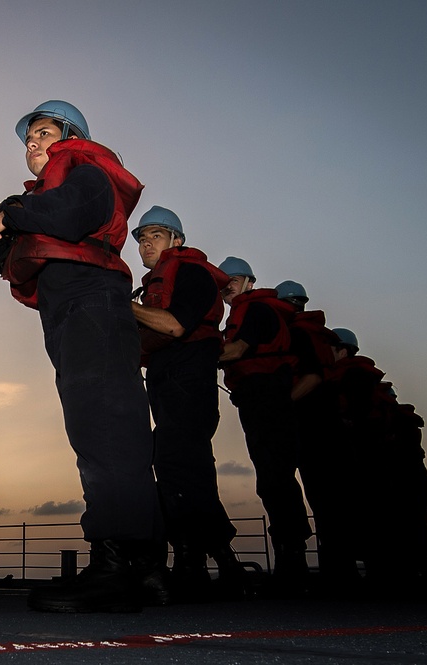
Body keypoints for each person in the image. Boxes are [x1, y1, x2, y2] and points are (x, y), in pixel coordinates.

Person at [0, 100, 168, 612]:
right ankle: (149, 570)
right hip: (73, 307)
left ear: (70, 135)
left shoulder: (85, 169)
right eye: (28, 137)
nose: (33, 143)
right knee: (103, 427)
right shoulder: (49, 191)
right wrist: (4, 234)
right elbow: (19, 267)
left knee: (104, 426)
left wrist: (13, 211)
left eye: (43, 132)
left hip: (92, 299)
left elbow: (71, 215)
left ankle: (118, 566)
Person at [129, 206, 245, 601]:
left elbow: (176, 325)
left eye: (156, 235)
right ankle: (216, 560)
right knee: (184, 467)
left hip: (188, 381)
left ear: (178, 240)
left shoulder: (192, 274)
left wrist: (120, 303)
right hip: (165, 381)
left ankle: (194, 561)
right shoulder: (154, 285)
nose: (146, 242)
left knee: (178, 463)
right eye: (142, 237)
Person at [219, 257, 311, 595]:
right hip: (260, 397)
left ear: (249, 282)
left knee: (274, 477)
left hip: (266, 397)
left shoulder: (256, 311)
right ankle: (293, 559)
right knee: (276, 476)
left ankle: (292, 563)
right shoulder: (253, 312)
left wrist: (198, 353)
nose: (226, 284)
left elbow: (239, 348)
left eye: (233, 279)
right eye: (223, 281)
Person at [327, 328, 427, 597]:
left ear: (342, 351)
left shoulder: (350, 377)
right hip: (405, 461)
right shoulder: (369, 381)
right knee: (411, 520)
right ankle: (419, 576)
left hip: (381, 461)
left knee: (379, 517)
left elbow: (359, 422)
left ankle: (389, 579)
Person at [274, 281, 360, 593]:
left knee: (324, 498)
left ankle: (335, 575)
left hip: (312, 427)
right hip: (332, 428)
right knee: (335, 501)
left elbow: (311, 377)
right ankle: (342, 570)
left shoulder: (296, 334)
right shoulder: (322, 338)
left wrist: (278, 409)